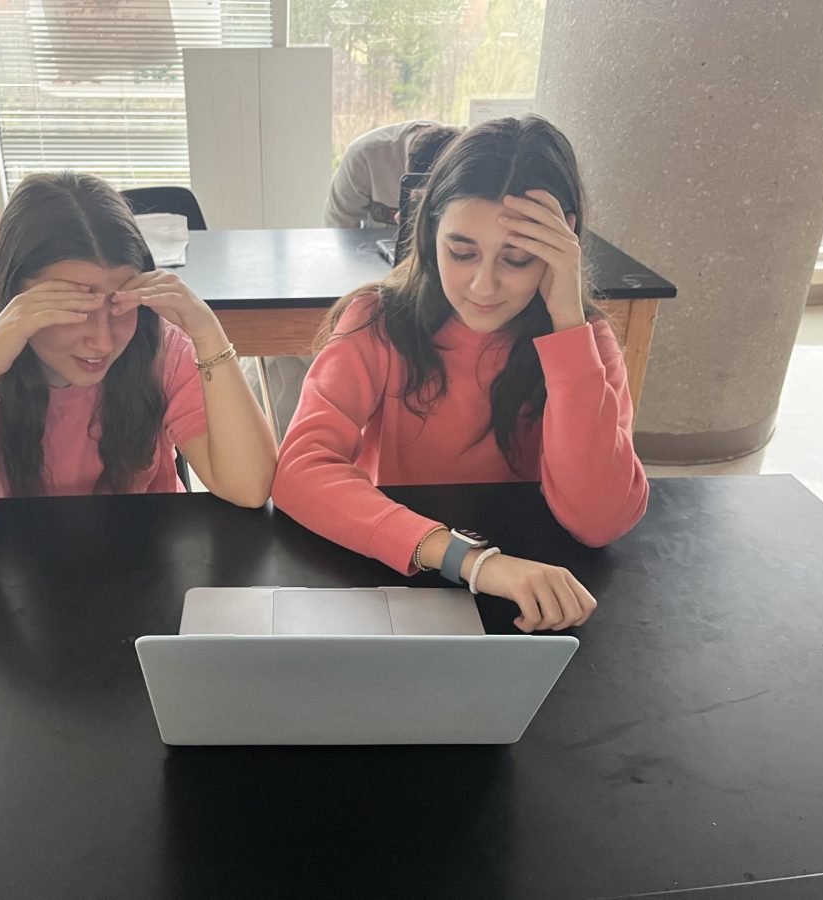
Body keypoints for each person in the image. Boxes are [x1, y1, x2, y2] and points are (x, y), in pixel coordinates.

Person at [274, 116, 648, 633]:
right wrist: (473, 562)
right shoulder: (379, 321)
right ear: (430, 235)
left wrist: (567, 326)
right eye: (461, 251)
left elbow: (599, 520)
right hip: (406, 572)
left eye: (518, 259)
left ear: (561, 251)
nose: (483, 285)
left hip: (542, 601)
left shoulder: (586, 345)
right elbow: (300, 471)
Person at [0, 171, 278, 572]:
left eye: (118, 304)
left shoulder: (158, 349)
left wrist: (206, 331)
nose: (103, 341)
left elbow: (248, 487)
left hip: (142, 572)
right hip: (9, 584)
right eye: (73, 308)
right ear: (10, 296)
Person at [323, 121, 464, 228]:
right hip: (372, 253)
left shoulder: (467, 153)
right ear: (407, 166)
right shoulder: (363, 156)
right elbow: (338, 224)